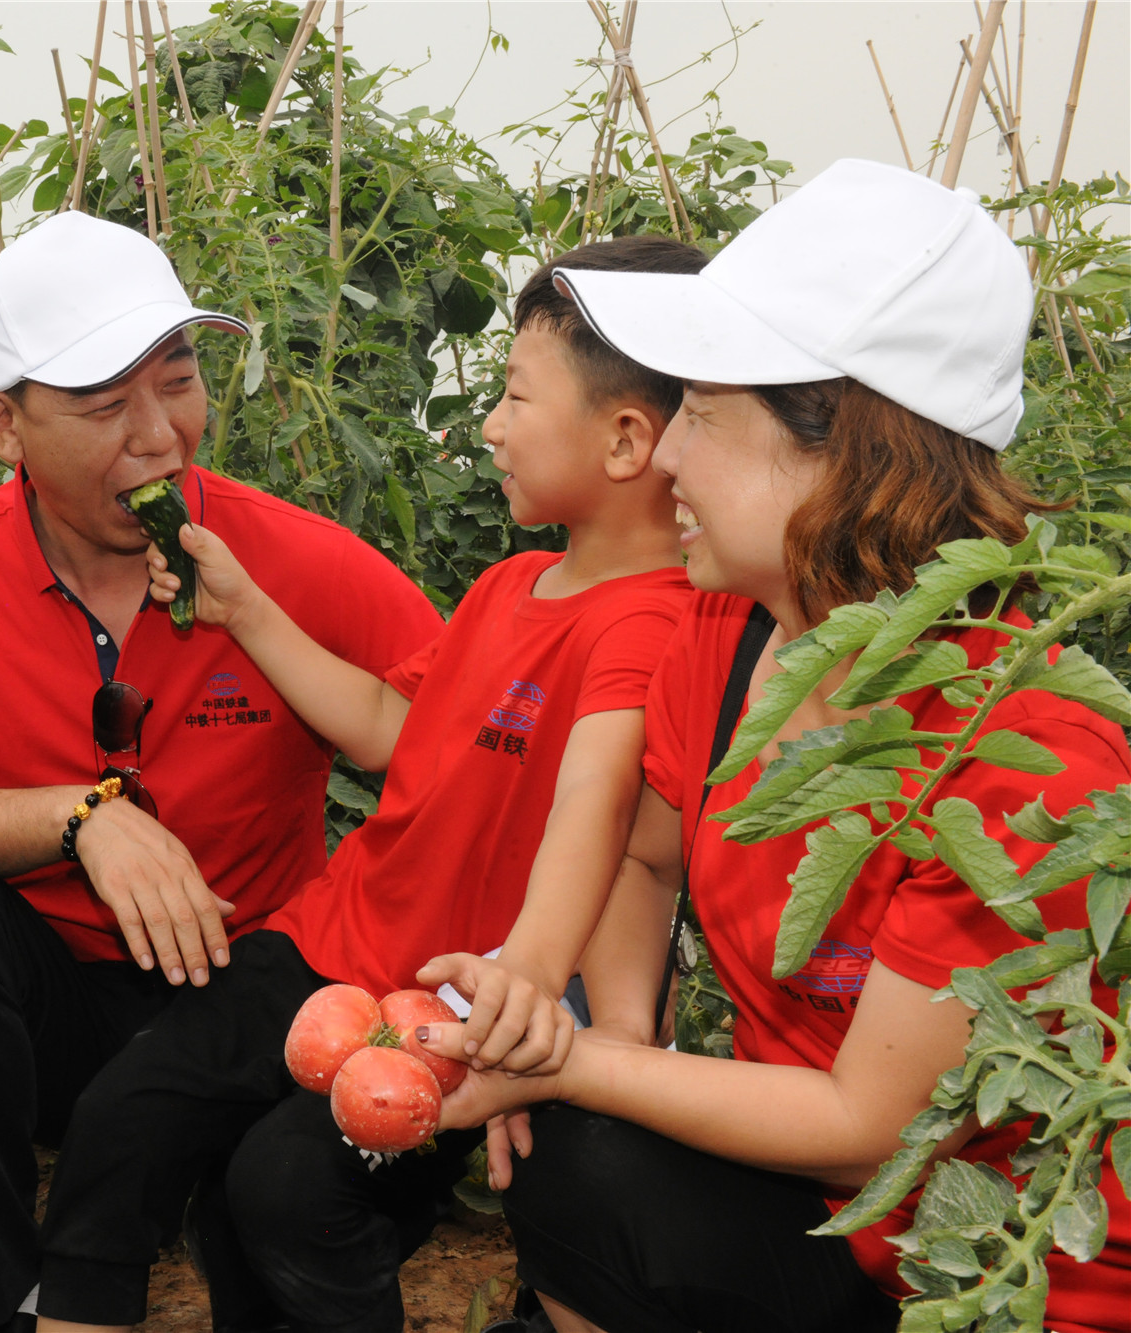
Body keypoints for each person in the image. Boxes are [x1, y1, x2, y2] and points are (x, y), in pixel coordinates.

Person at [417, 159, 1131, 1333]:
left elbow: (872, 1124)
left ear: (840, 446)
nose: (659, 457)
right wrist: (620, 1042)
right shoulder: (728, 637)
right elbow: (644, 857)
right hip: (817, 1227)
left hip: (993, 1286)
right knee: (578, 1157)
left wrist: (577, 1066)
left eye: (700, 412)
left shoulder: (1019, 751)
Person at [32, 236, 707, 1333]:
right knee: (131, 1115)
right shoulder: (506, 585)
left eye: (513, 395)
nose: (487, 423)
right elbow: (394, 730)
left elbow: (597, 798)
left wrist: (522, 977)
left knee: (288, 1190)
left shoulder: (656, 619)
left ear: (626, 439)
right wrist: (242, 605)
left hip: (445, 991)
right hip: (331, 940)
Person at [0, 212, 443, 1333]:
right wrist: (84, 818)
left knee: (262, 1213)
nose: (160, 435)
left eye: (177, 380)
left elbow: (452, 753)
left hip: (252, 996)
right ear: (3, 426)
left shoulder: (290, 559)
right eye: (104, 406)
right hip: (56, 1003)